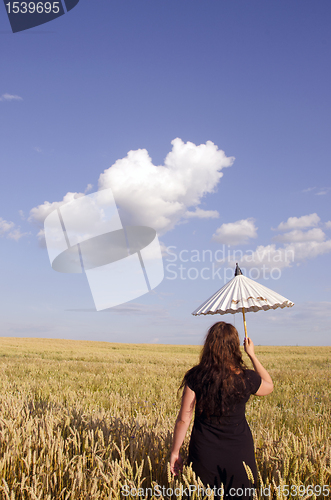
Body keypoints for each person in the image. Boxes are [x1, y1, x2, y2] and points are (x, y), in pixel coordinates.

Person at [170, 322, 273, 500]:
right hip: (240, 453)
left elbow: (183, 419)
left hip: (204, 452)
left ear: (209, 345)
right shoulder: (246, 377)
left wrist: (175, 452)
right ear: (235, 347)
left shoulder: (196, 376)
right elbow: (269, 386)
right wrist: (253, 356)